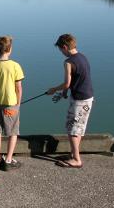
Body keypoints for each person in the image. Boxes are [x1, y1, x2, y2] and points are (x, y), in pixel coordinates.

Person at [47, 34, 93, 168]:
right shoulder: (83, 57)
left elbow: (67, 83)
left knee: (72, 129)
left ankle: (77, 160)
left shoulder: (68, 62)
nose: (61, 53)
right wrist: (64, 94)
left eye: (61, 50)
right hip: (87, 98)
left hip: (79, 100)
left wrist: (54, 89)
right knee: (78, 128)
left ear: (65, 47)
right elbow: (75, 80)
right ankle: (74, 154)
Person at [0, 36, 24, 171]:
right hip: (11, 104)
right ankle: (7, 160)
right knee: (13, 132)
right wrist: (18, 104)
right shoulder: (15, 66)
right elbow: (18, 88)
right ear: (10, 49)